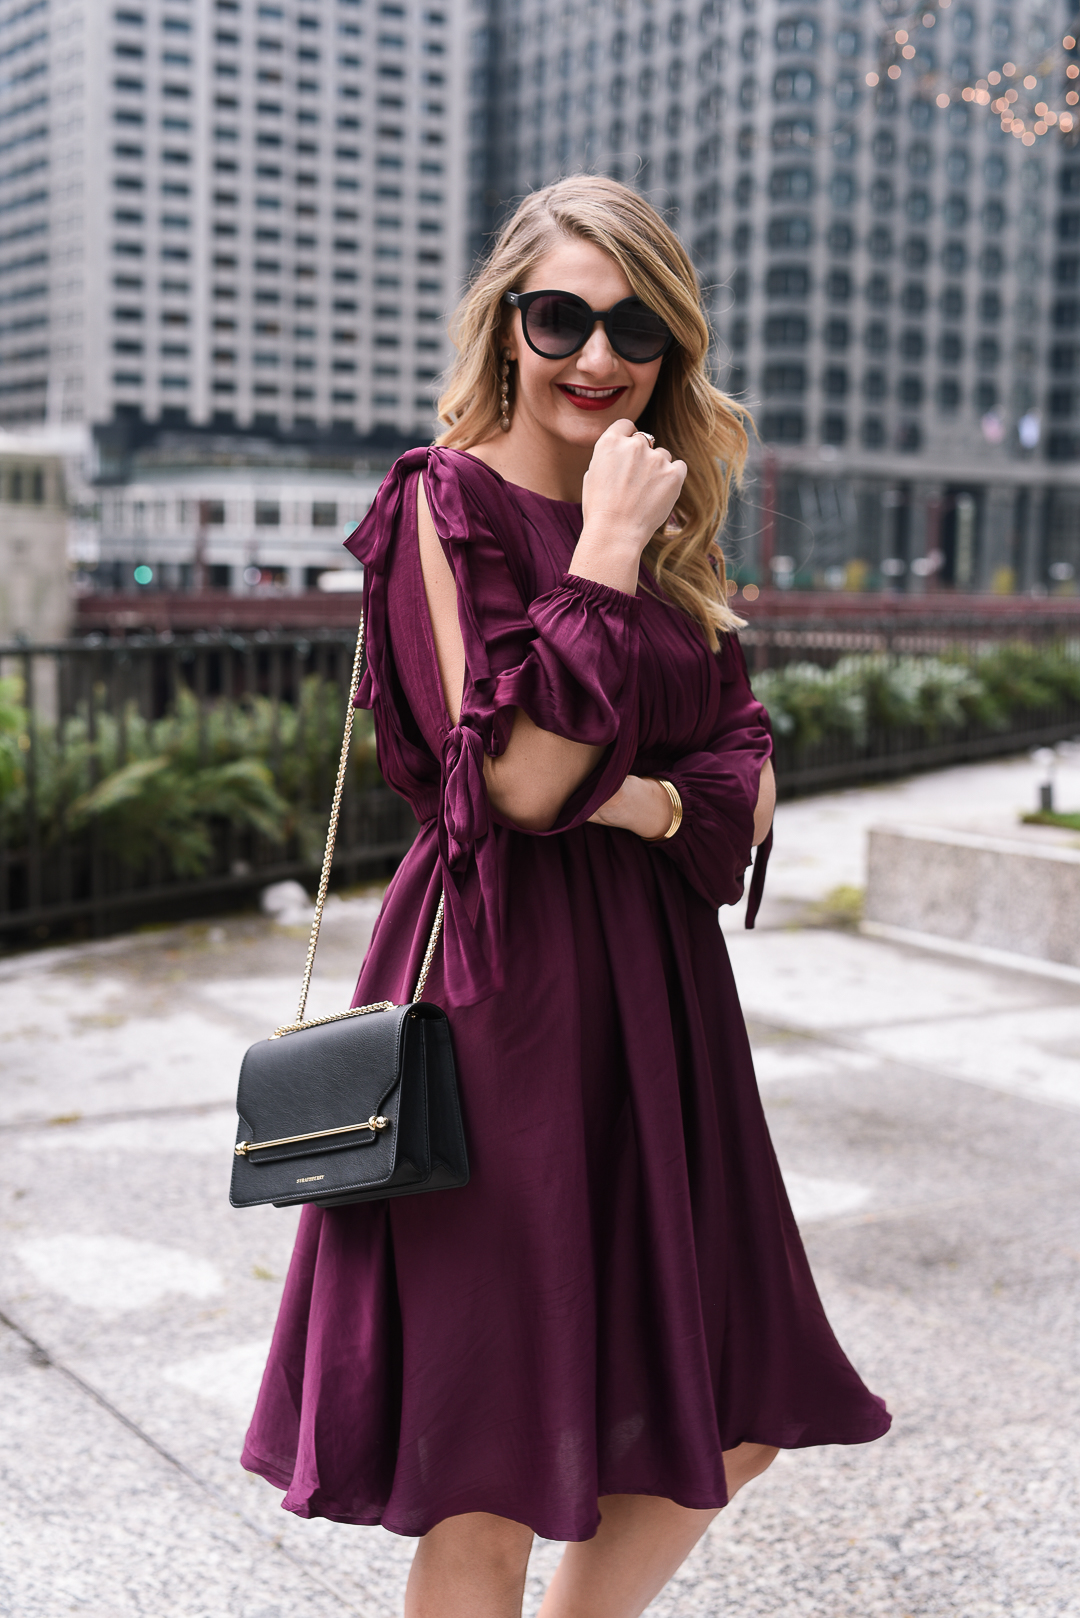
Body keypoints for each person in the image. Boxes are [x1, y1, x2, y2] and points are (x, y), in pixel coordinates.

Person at [242, 176, 891, 1618]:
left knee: (741, 1401)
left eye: (633, 325)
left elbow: (746, 772)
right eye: (561, 317)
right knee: (490, 1452)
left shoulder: (664, 511)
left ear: (672, 345)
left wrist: (651, 790)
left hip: (658, 1003)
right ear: (507, 326)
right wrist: (599, 569)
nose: (595, 356)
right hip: (501, 995)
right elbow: (520, 788)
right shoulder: (445, 497)